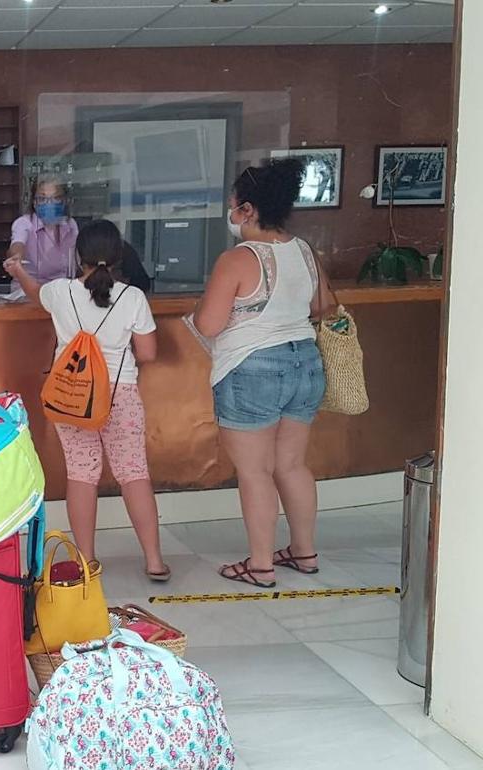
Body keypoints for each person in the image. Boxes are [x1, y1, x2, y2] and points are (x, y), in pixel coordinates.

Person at [190, 158, 336, 588]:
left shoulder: (238, 259)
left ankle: (260, 566)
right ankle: (304, 553)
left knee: (255, 472)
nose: (230, 212)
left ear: (248, 209)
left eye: (233, 204)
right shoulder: (304, 250)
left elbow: (208, 325)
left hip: (252, 367)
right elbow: (324, 306)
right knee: (292, 465)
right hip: (305, 363)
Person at [6, 219, 170, 582]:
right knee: (133, 473)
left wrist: (18, 270)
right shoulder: (133, 298)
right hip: (120, 394)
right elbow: (148, 353)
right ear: (118, 255)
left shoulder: (60, 292)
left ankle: (86, 561)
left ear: (77, 256)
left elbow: (34, 293)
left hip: (72, 396)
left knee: (81, 474)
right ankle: (155, 561)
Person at [7, 174, 79, 290]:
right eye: (42, 199)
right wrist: (16, 257)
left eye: (56, 198)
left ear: (64, 200)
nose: (49, 203)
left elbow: (76, 261)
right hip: (28, 291)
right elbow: (18, 244)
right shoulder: (24, 223)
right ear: (34, 202)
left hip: (61, 291)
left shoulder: (70, 225)